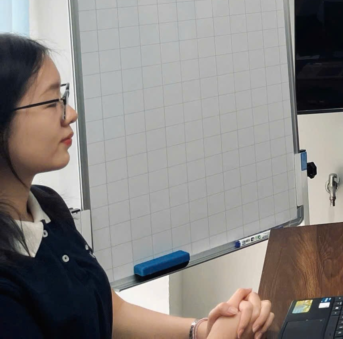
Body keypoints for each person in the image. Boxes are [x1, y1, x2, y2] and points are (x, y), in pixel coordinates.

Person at [0, 33, 275, 339]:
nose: (71, 114)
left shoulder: (47, 204)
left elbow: (110, 311)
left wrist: (201, 329)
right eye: (53, 102)